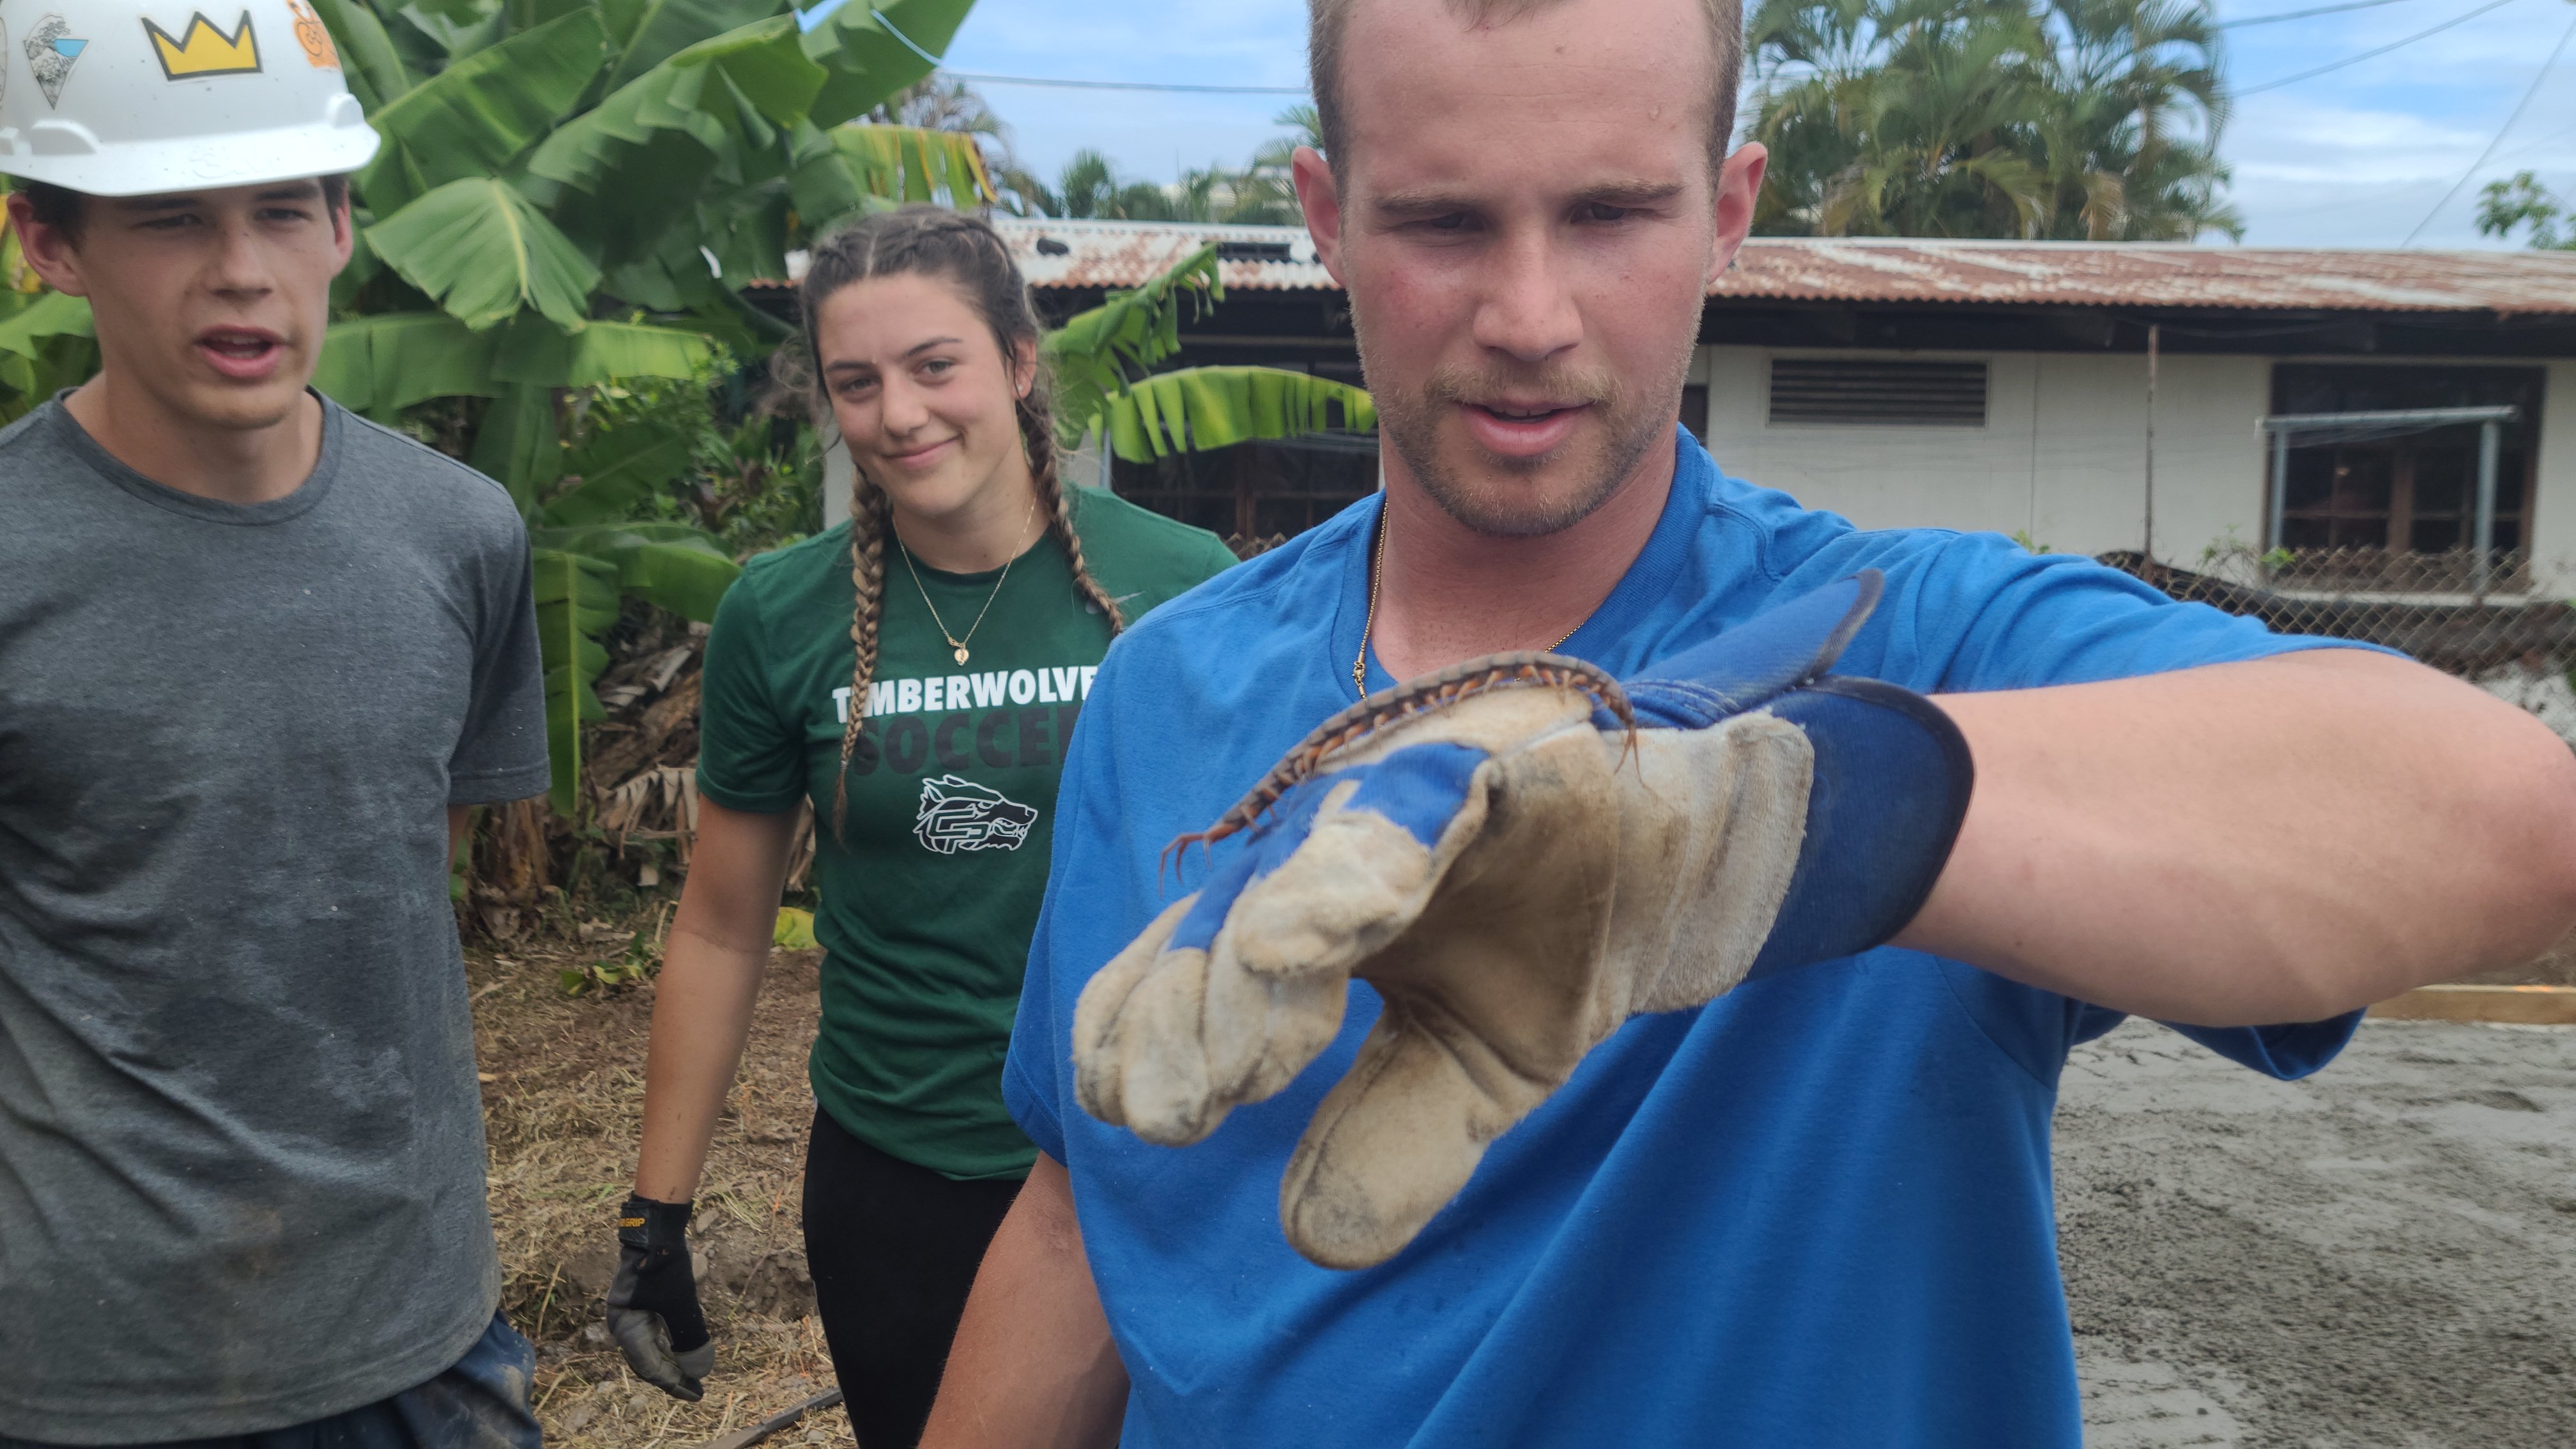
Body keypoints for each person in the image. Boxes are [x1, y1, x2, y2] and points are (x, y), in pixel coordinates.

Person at [917, 1, 2576, 1445]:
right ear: (1327, 217)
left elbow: (2501, 818)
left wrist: (1796, 823)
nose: (1530, 312)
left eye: (1612, 212)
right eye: (1441, 221)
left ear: (1726, 211)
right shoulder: (1165, 685)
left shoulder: (1906, 636)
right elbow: (1084, 1207)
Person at [0, 2, 550, 1445]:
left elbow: (383, 881)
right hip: (83, 1367)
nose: (241, 272)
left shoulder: (461, 535)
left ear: (343, 227)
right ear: (48, 243)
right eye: (169, 219)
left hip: (422, 1339)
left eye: (282, 211)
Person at [606, 207, 1239, 1448]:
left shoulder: (1183, 589)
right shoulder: (776, 617)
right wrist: (656, 1214)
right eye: (858, 382)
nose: (898, 413)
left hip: (1142, 1168)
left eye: (934, 365)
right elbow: (726, 930)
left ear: (1014, 360)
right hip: (899, 1173)